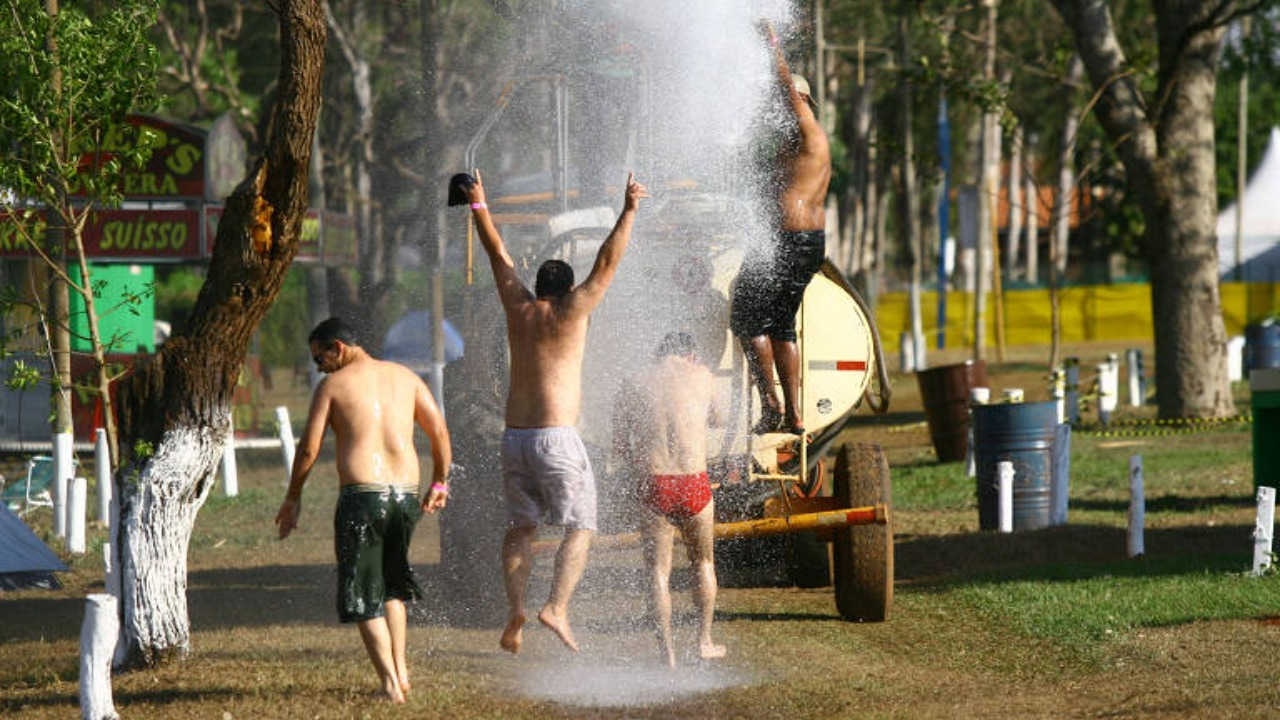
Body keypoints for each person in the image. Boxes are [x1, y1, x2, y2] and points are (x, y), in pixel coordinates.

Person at [465, 168, 648, 654]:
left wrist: (478, 203)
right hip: (556, 439)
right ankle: (557, 607)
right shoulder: (572, 311)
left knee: (520, 529)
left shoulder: (517, 308)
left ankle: (515, 611)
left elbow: (497, 253)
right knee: (581, 525)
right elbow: (607, 262)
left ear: (537, 287)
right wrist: (628, 209)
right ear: (567, 289)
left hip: (514, 438)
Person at [274, 317, 452, 704]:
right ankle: (401, 673)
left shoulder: (334, 385)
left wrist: (293, 496)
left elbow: (308, 448)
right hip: (405, 495)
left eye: (320, 358)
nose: (319, 367)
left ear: (337, 347)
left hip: (363, 497)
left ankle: (389, 686)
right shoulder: (406, 377)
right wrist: (439, 482)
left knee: (361, 592)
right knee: (390, 585)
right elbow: (438, 431)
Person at [730, 19, 832, 436]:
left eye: (788, 100)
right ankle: (790, 412)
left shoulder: (810, 133)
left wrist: (771, 43)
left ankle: (773, 406)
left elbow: (787, 89)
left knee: (747, 317)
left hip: (792, 242)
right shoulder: (789, 146)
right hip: (789, 241)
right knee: (778, 324)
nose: (780, 104)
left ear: (803, 101)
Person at [612, 331, 726, 667]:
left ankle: (668, 655)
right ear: (691, 354)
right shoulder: (703, 376)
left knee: (657, 572)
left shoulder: (633, 381)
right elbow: (719, 419)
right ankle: (704, 641)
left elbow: (619, 447)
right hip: (695, 482)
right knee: (703, 563)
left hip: (654, 483)